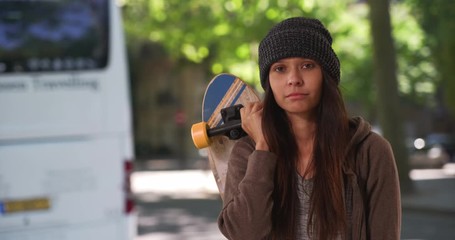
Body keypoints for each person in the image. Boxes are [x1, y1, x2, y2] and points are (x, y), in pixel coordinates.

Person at [217, 17, 401, 240]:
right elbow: (243, 234)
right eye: (280, 69)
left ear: (326, 76)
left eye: (307, 66)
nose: (294, 79)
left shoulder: (371, 151)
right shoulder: (249, 153)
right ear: (269, 82)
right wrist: (263, 149)